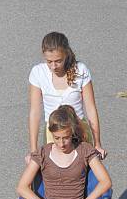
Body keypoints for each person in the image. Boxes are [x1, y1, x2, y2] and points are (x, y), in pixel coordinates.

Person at [28, 31, 107, 159]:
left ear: (66, 54)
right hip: (54, 132)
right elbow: (35, 112)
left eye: (58, 61)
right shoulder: (38, 73)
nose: (53, 66)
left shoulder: (80, 70)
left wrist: (97, 143)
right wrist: (33, 150)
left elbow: (91, 108)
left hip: (79, 130)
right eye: (49, 61)